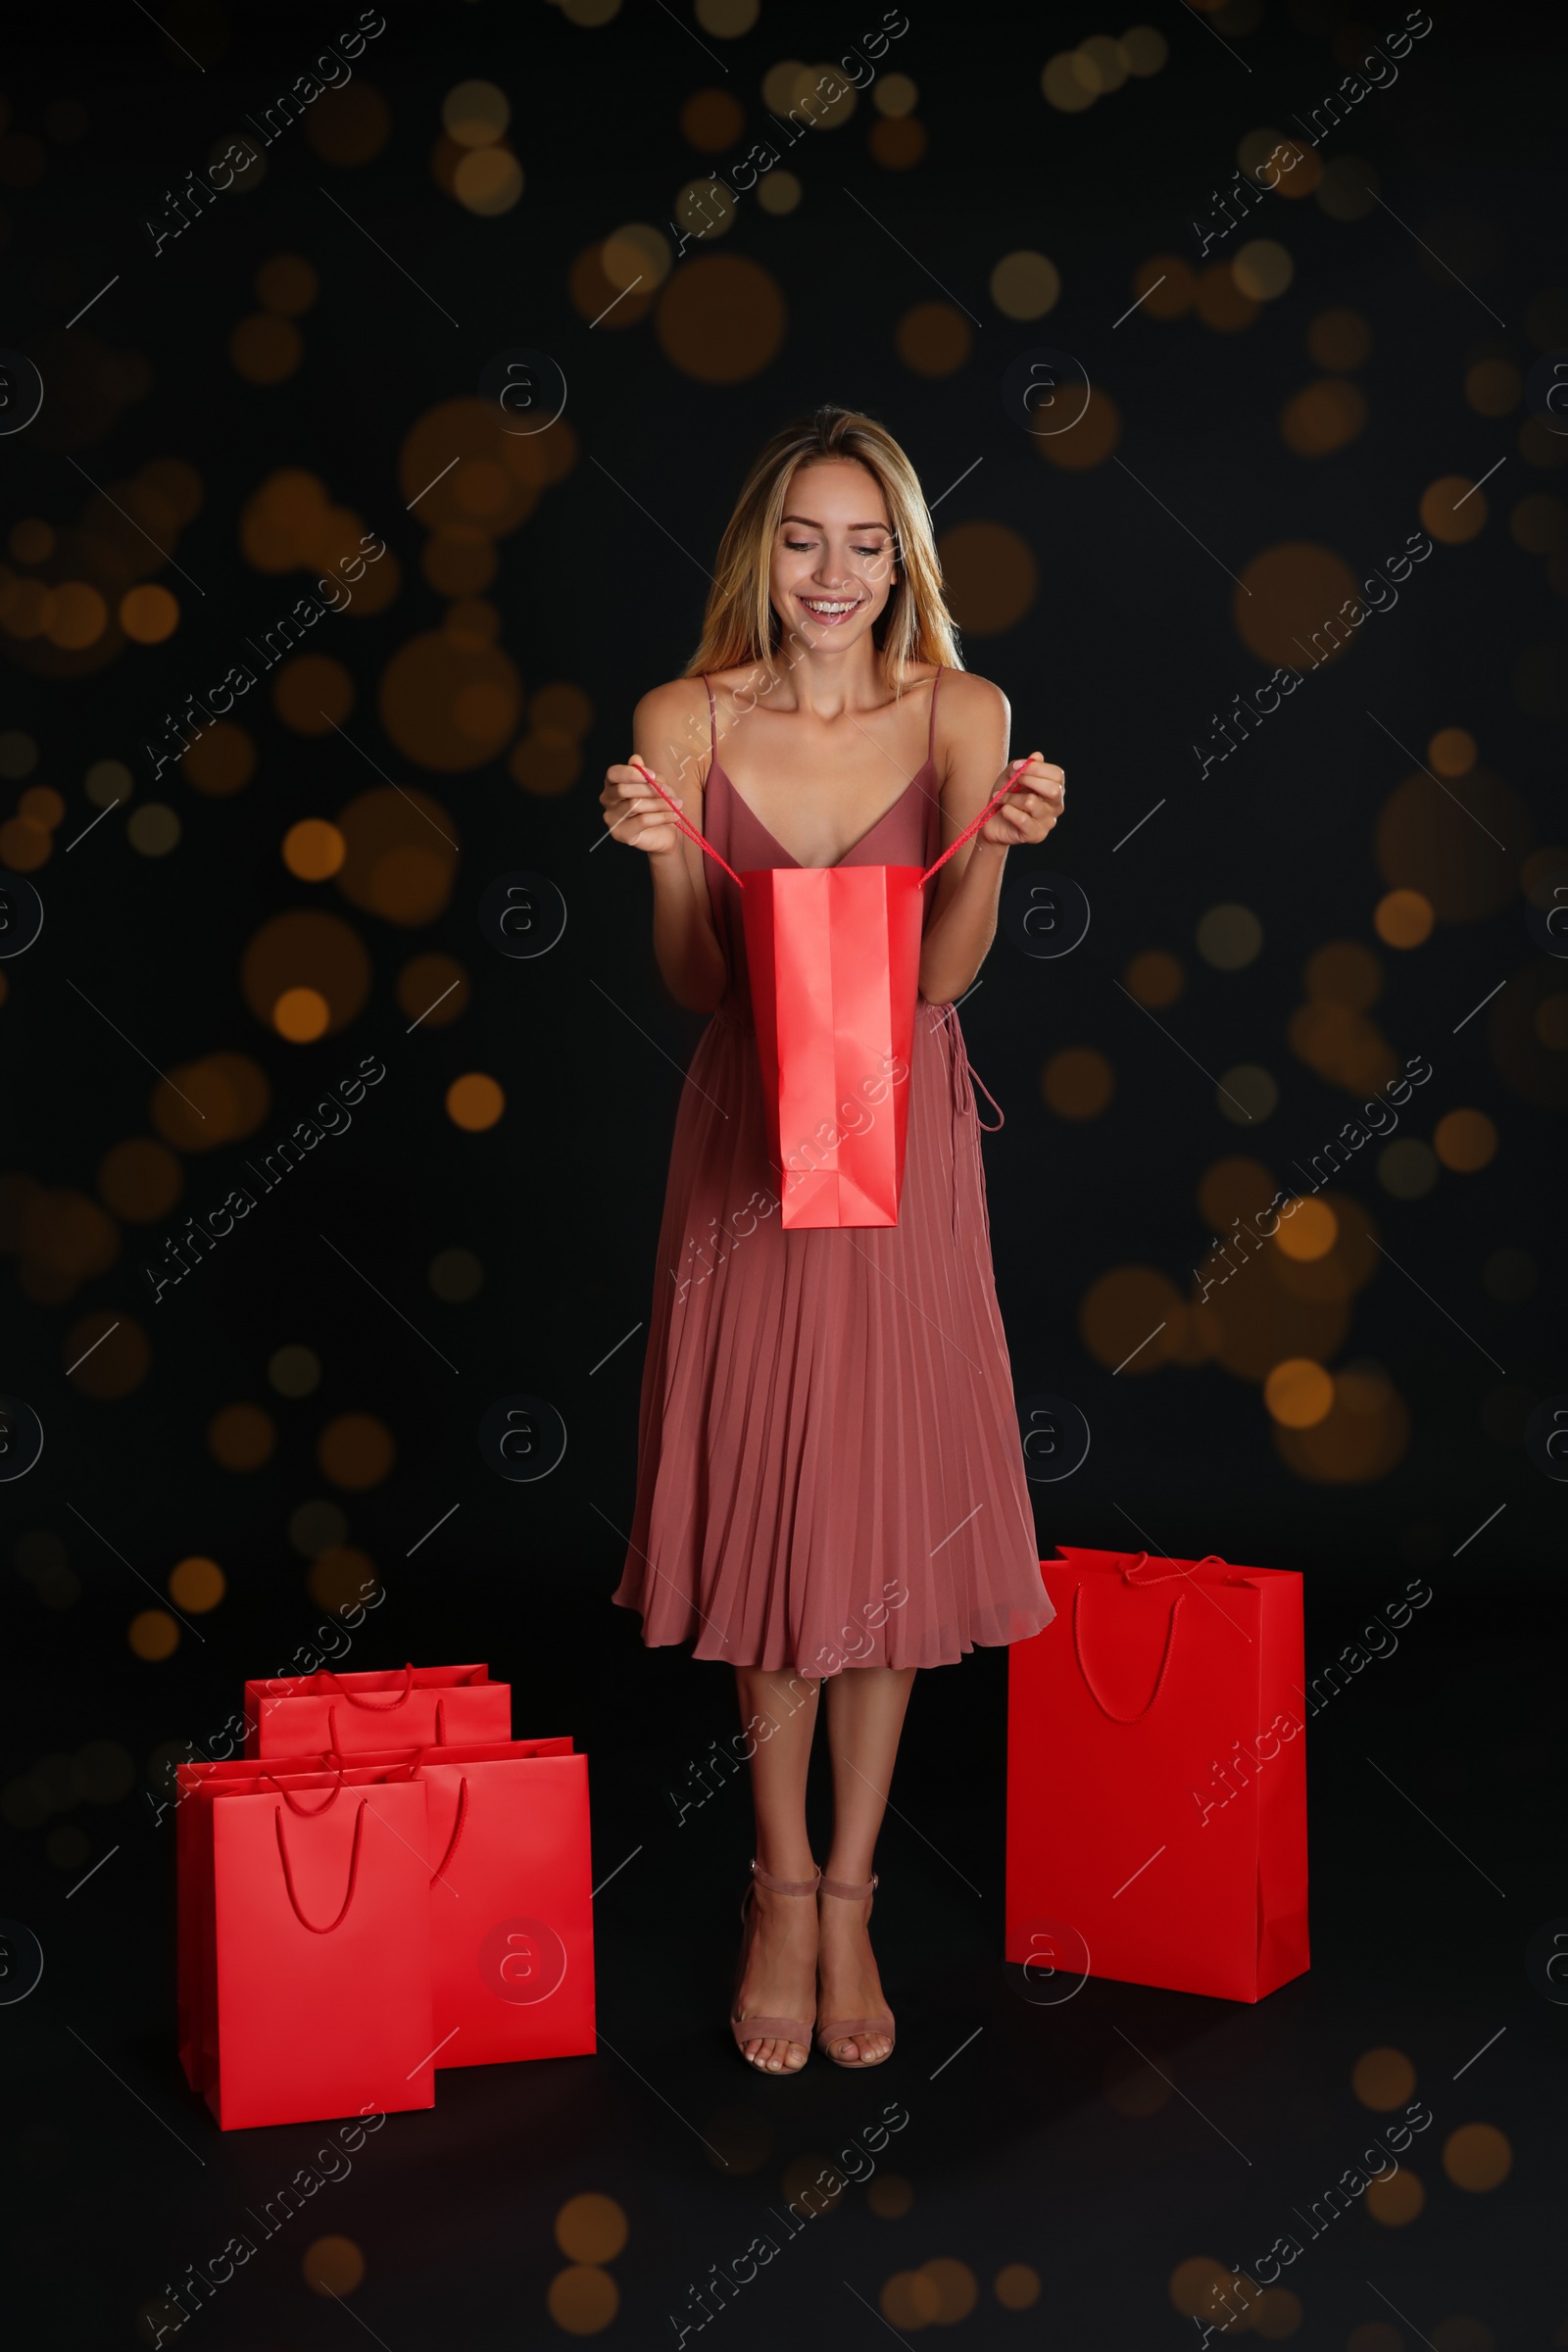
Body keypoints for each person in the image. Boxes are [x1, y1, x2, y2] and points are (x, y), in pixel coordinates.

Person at [601, 405, 1061, 2075]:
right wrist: (665, 864)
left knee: (877, 1506)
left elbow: (940, 977)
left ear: (906, 562)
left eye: (869, 543)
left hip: (900, 1140)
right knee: (772, 1503)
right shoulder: (684, 716)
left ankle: (852, 1890)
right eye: (805, 536)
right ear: (759, 550)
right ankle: (775, 1882)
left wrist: (996, 854)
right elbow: (705, 986)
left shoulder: (963, 712)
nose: (833, 573)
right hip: (745, 1140)